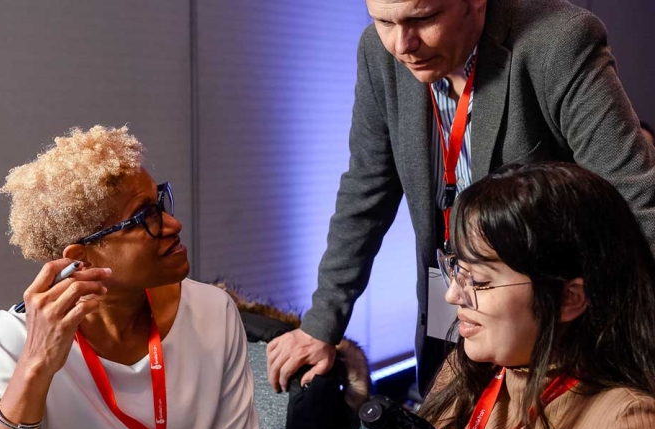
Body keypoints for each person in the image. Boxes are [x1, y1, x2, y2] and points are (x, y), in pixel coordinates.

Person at [266, 0, 655, 397]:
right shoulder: (378, 54)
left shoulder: (557, 40)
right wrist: (321, 325)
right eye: (383, 21)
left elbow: (635, 196)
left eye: (424, 19)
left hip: (547, 329)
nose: (402, 44)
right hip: (445, 303)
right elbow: (364, 192)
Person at [0, 126, 259, 429]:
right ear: (83, 259)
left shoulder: (212, 313)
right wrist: (36, 366)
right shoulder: (13, 342)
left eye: (160, 203)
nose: (173, 224)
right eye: (146, 217)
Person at [365, 162, 655, 429]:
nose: (452, 295)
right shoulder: (462, 371)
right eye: (455, 269)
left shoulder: (627, 426)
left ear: (569, 298)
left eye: (479, 280)